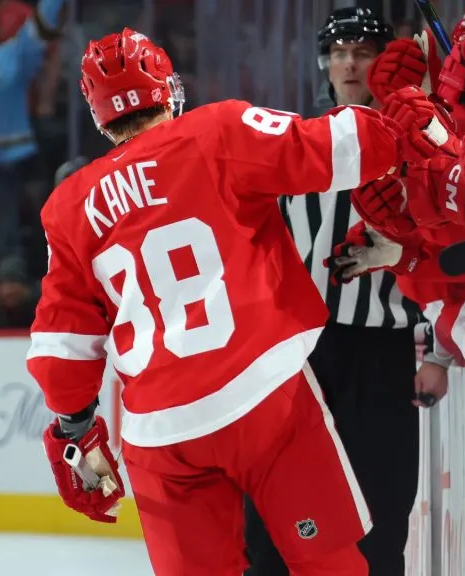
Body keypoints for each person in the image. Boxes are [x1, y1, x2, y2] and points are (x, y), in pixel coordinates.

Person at [27, 28, 402, 575]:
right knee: (329, 565)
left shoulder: (68, 206)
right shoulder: (217, 130)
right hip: (265, 395)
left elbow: (63, 344)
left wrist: (74, 429)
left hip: (160, 431)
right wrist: (408, 109)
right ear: (167, 88)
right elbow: (340, 148)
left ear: (98, 112)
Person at [247, 8, 422, 576]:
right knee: (278, 493)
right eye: (340, 52)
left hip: (382, 351)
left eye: (363, 52)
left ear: (385, 62)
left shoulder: (417, 141)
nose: (350, 64)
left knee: (382, 498)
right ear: (325, 63)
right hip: (302, 349)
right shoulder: (297, 145)